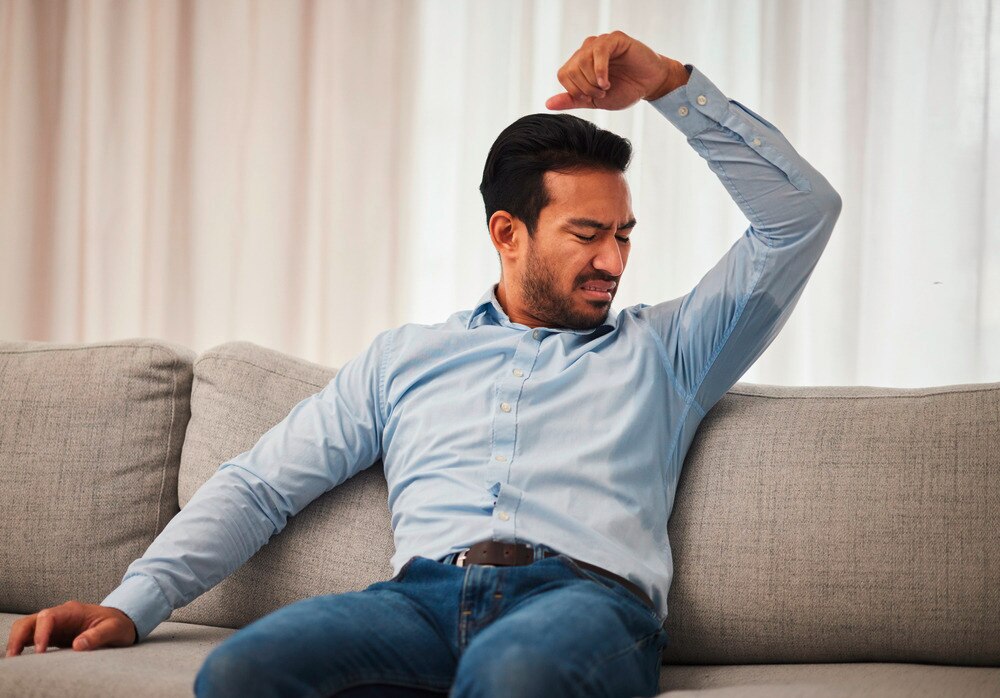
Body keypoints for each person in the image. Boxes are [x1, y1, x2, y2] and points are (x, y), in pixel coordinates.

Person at [5, 30, 841, 698]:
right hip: (420, 603)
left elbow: (800, 217)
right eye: (587, 235)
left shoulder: (669, 350)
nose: (614, 261)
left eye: (623, 235)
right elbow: (261, 486)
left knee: (513, 675)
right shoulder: (406, 359)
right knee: (241, 670)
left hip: (587, 607)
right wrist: (132, 603)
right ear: (508, 233)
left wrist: (667, 85)